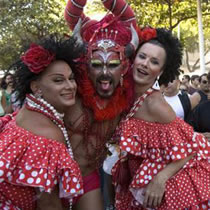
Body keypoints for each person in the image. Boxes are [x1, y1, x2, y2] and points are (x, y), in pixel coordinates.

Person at [107, 27, 209, 209]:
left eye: (154, 62)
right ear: (133, 58)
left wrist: (160, 179)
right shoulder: (124, 94)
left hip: (167, 188)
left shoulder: (155, 105)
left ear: (161, 72)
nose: (145, 64)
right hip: (137, 180)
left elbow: (193, 145)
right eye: (142, 56)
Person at [64, 0, 138, 209]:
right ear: (86, 66)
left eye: (113, 65)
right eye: (97, 64)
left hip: (89, 179)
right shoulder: (70, 92)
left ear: (123, 68)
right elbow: (72, 16)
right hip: (54, 177)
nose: (105, 73)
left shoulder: (127, 102)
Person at [0, 36, 84, 210]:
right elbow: (47, 202)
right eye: (58, 80)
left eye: (71, 78)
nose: (70, 86)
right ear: (36, 87)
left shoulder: (23, 113)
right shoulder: (49, 135)